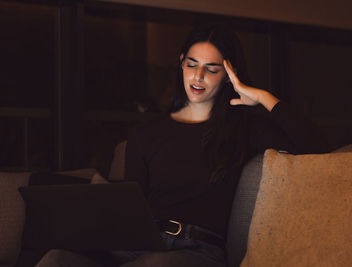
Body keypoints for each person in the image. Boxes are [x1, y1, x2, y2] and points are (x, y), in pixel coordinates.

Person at [35, 24, 328, 267]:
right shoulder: (146, 134)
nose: (198, 77)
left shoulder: (243, 129)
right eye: (192, 64)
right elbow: (130, 209)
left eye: (212, 69)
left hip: (199, 250)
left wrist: (262, 97)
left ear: (228, 76)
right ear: (181, 63)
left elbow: (316, 147)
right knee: (56, 259)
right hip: (140, 245)